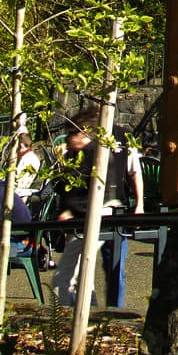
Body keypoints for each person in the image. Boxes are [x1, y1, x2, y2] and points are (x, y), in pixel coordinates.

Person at [55, 104, 143, 307]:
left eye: (72, 133)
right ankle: (91, 312)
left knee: (107, 270)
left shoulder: (115, 141)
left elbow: (133, 173)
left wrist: (139, 205)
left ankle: (107, 311)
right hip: (94, 213)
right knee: (82, 274)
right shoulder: (80, 152)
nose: (69, 138)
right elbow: (68, 187)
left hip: (106, 211)